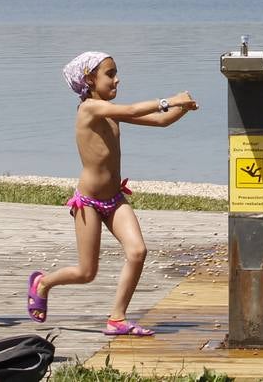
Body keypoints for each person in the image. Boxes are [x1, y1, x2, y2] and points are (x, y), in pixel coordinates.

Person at [25, 52, 198, 336]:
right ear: (89, 79)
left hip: (115, 198)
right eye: (110, 73)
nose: (117, 78)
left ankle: (117, 318)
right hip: (88, 202)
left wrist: (183, 108)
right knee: (86, 272)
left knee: (138, 251)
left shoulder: (108, 110)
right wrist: (172, 99)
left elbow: (158, 121)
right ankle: (43, 283)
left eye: (116, 72)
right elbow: (132, 110)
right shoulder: (90, 109)